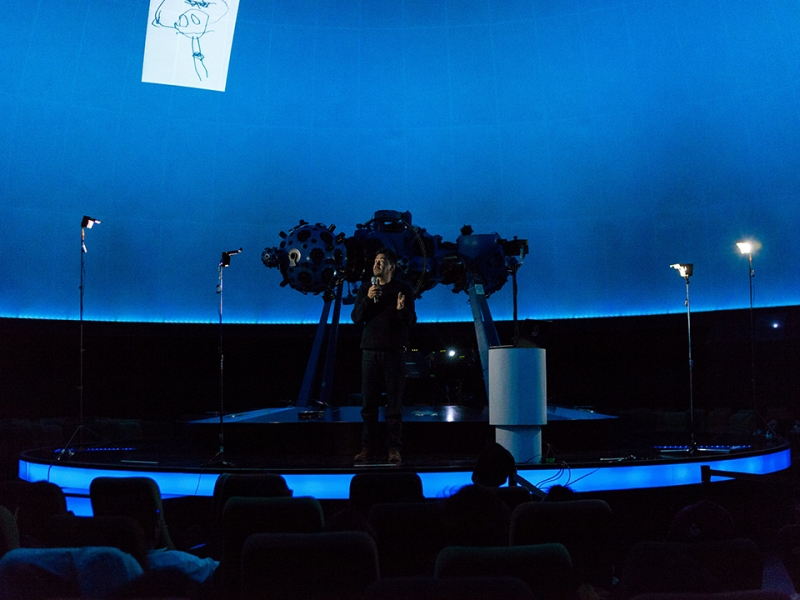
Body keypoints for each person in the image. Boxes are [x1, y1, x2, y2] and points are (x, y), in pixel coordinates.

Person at [351, 248, 417, 463]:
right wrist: (368, 299)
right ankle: (367, 448)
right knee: (368, 404)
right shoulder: (365, 289)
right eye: (376, 261)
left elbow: (411, 321)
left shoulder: (403, 289)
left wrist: (401, 309)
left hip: (394, 353)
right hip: (369, 352)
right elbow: (356, 318)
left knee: (394, 404)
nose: (377, 264)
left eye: (382, 261)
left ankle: (393, 449)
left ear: (392, 266)